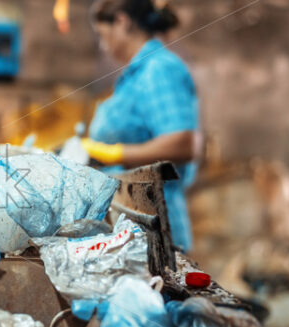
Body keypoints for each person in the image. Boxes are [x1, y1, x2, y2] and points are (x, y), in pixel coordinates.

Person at [81, 0, 200, 251]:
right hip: (132, 222)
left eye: (103, 36)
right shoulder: (134, 76)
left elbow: (183, 143)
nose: (103, 46)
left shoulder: (160, 68)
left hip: (157, 226)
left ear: (122, 22)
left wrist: (115, 153)